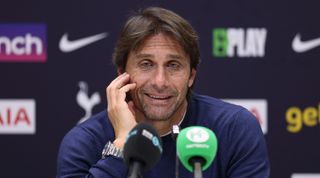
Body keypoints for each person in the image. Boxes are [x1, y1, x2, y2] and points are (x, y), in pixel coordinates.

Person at [57, 7, 270, 178]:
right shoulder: (84, 142)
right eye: (146, 64)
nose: (160, 81)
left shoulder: (234, 129)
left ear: (191, 76)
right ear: (122, 74)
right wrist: (122, 144)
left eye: (173, 65)